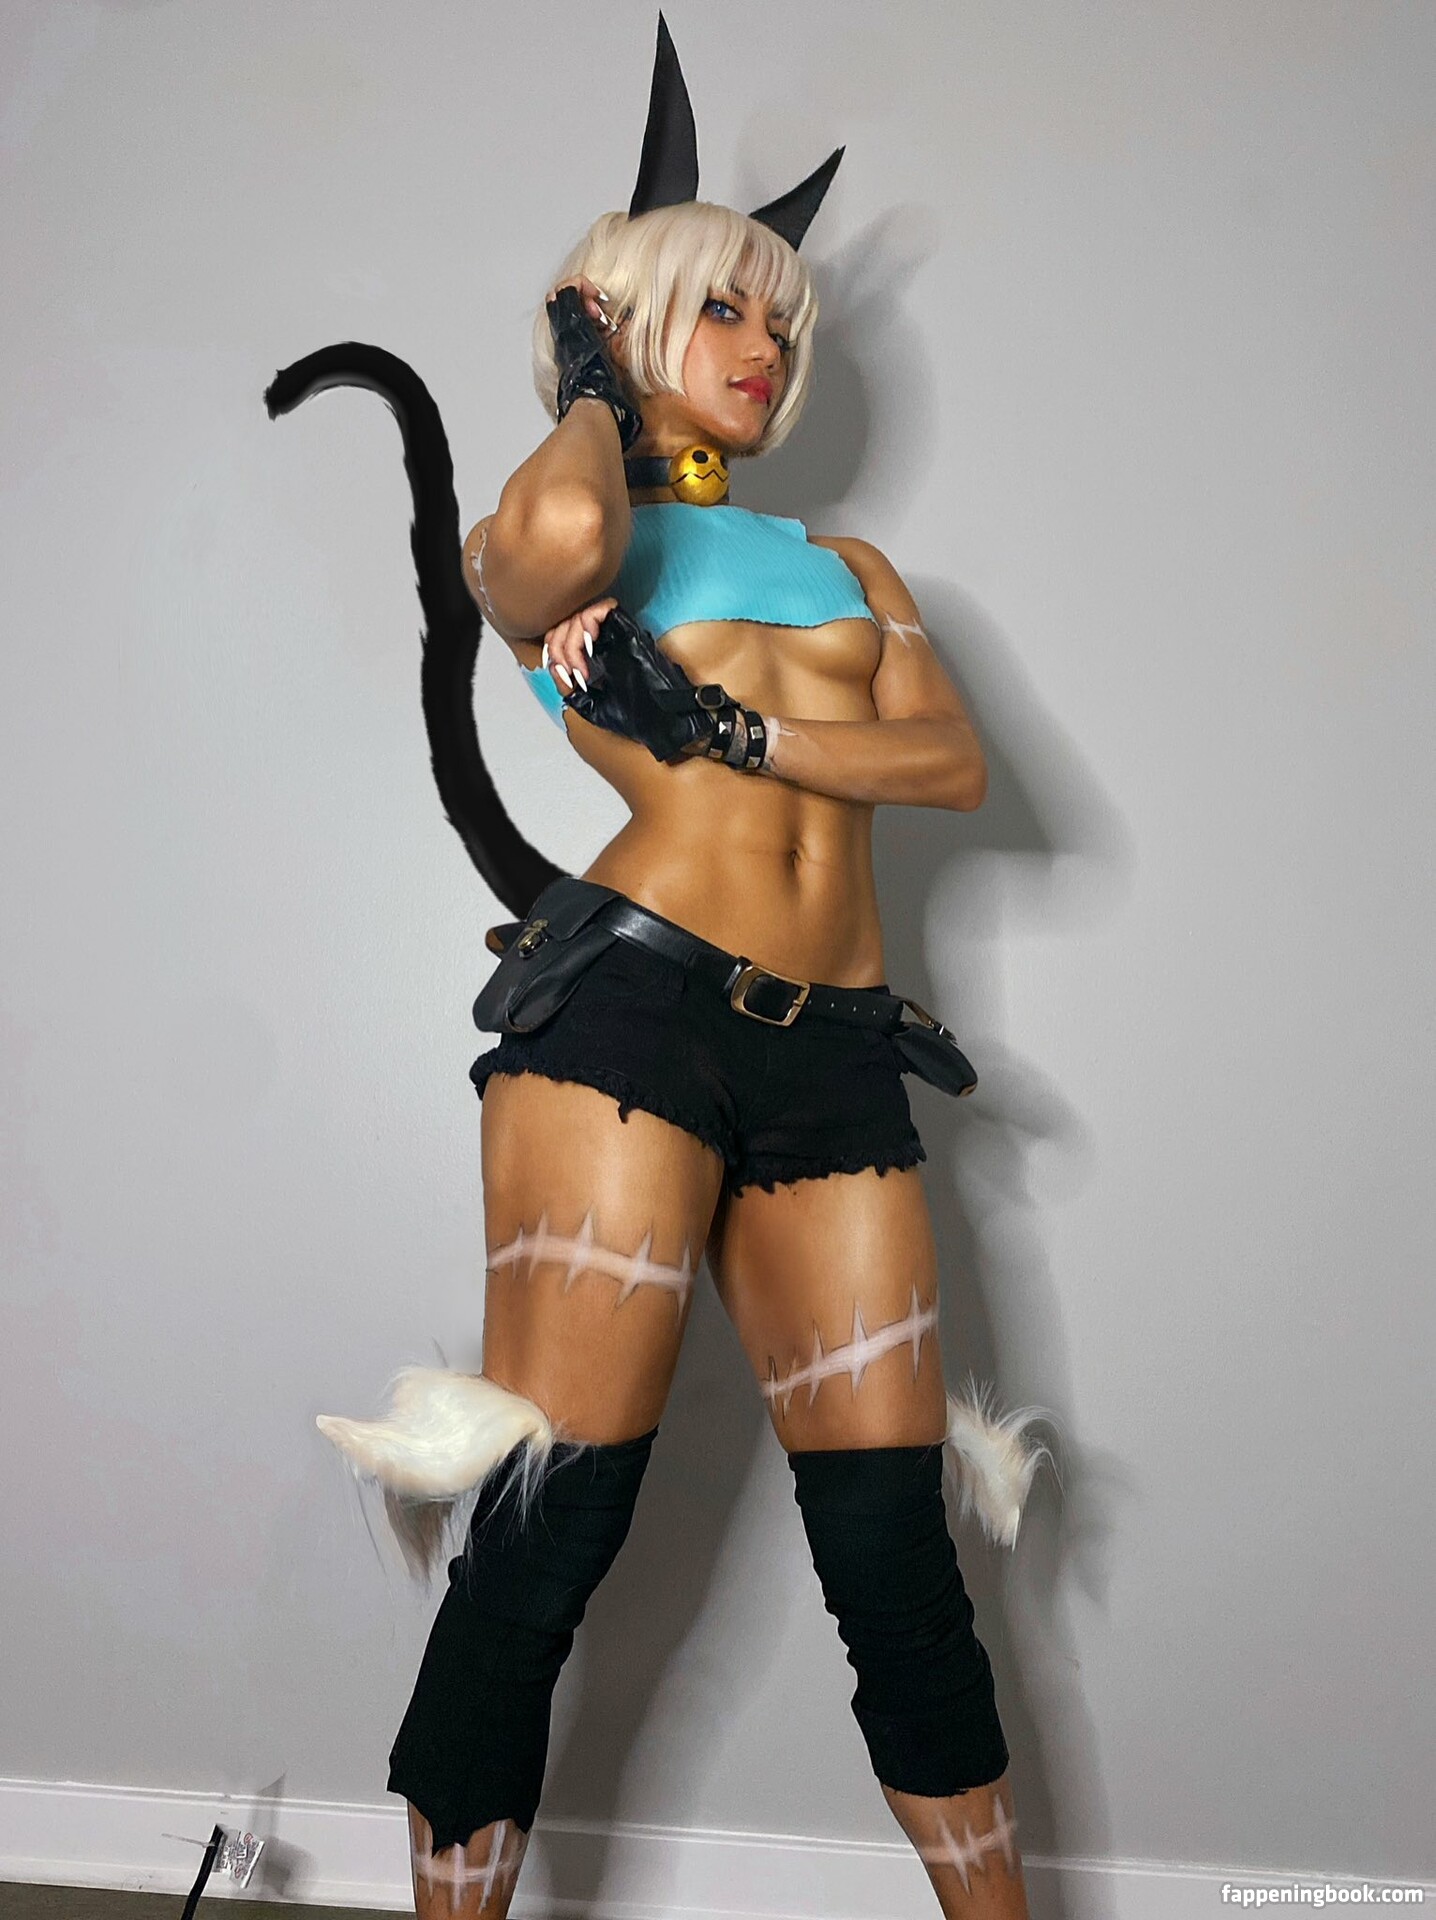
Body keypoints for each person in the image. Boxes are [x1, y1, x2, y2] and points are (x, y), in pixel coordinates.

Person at [310, 20, 1049, 1918]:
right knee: (552, 1535)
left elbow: (949, 765)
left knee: (900, 1562)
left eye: (781, 322)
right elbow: (560, 530)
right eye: (721, 305)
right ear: (619, 317)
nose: (765, 346)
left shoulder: (854, 565)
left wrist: (735, 735)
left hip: (837, 1048)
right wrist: (581, 379)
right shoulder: (566, 540)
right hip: (628, 1024)